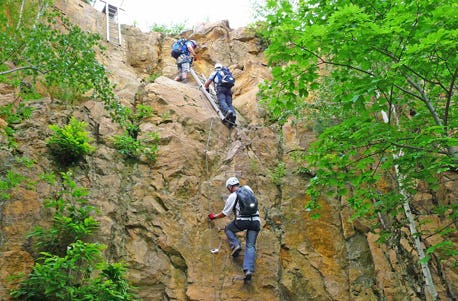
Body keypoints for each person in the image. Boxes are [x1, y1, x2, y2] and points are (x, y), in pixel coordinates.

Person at [208, 177, 261, 282]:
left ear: (230, 187)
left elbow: (225, 213)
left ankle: (235, 245)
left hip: (242, 221)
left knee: (228, 229)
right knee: (250, 245)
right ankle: (248, 270)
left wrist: (213, 216)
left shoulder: (233, 196)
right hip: (255, 221)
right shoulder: (248, 189)